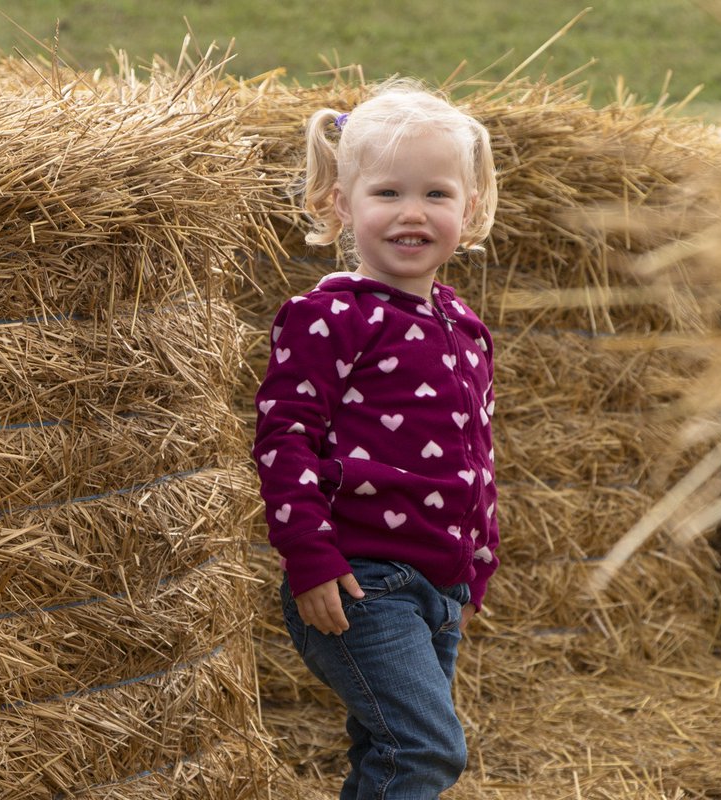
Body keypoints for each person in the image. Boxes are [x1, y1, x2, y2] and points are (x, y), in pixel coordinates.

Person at [252, 79, 501, 799]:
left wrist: (476, 563)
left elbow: (474, 455)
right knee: (425, 750)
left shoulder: (462, 322)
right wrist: (310, 557)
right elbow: (284, 439)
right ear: (341, 204)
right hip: (361, 581)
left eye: (436, 194)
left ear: (469, 208)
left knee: (386, 750)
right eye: (388, 193)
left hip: (440, 585)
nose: (412, 213)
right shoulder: (330, 316)